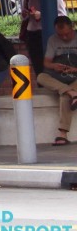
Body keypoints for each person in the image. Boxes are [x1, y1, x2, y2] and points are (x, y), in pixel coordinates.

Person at [36, 16, 77, 146]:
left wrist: (74, 69)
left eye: (67, 34)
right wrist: (55, 66)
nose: (64, 38)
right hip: (61, 77)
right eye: (60, 35)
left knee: (64, 96)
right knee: (41, 77)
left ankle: (62, 134)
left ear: (72, 28)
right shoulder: (53, 40)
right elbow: (46, 62)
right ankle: (72, 93)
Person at [21, 0, 66, 79]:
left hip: (47, 34)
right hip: (32, 34)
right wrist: (26, 14)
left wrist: (42, 15)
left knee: (51, 65)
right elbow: (24, 15)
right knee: (38, 66)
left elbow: (62, 15)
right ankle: (42, 88)